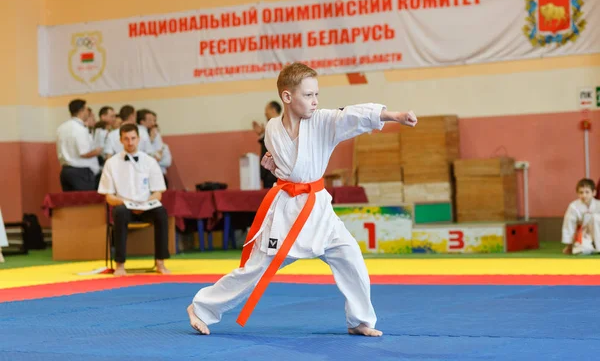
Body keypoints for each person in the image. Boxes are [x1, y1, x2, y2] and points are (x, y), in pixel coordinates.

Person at [187, 62, 417, 336]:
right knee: (254, 271)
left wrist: (393, 115)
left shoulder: (322, 121)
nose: (315, 101)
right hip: (286, 212)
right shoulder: (273, 128)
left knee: (350, 257)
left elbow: (350, 114)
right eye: (308, 95)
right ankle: (200, 308)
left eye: (316, 94)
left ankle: (359, 320)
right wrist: (275, 167)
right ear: (287, 97)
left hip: (317, 209)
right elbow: (285, 161)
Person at [98, 123, 171, 276]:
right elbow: (109, 197)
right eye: (126, 139)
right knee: (120, 213)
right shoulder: (111, 163)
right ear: (120, 140)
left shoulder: (150, 161)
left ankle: (161, 262)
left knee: (161, 212)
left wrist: (145, 203)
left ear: (138, 139)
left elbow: (158, 193)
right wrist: (127, 203)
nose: (130, 142)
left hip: (146, 206)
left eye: (133, 138)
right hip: (124, 206)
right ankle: (120, 265)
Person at [56, 99, 102, 191]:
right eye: (86, 110)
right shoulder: (79, 129)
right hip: (81, 172)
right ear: (81, 111)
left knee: (70, 204)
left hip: (65, 170)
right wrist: (97, 151)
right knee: (85, 203)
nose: (87, 113)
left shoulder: (61, 127)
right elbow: (84, 153)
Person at [561, 178, 600, 255]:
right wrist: (569, 245)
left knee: (595, 217)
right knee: (583, 250)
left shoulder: (599, 204)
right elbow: (569, 225)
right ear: (577, 193)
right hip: (585, 234)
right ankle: (592, 247)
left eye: (587, 192)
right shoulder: (574, 207)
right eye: (581, 192)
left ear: (594, 193)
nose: (584, 195)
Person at [252, 101, 282, 188]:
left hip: (276, 172)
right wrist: (262, 134)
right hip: (268, 172)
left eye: (266, 110)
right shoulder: (270, 126)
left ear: (273, 110)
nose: (265, 113)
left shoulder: (282, 124)